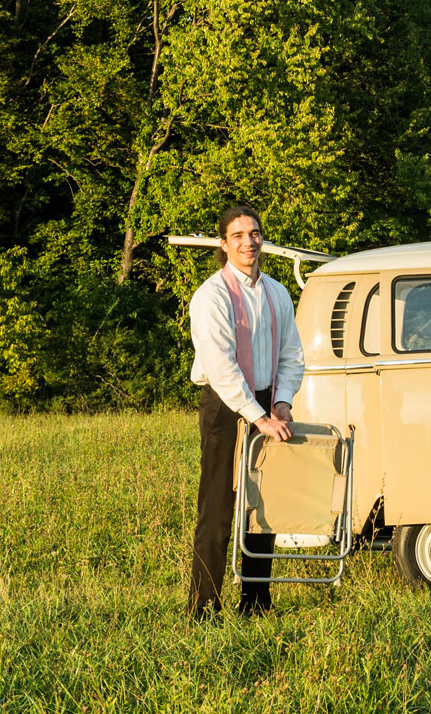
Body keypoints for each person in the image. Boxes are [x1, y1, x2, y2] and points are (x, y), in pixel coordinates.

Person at [186, 205, 305, 619]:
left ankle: (256, 603)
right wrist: (257, 416)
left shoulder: (277, 292)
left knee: (264, 509)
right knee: (217, 510)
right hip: (225, 406)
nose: (248, 242)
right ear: (223, 244)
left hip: (269, 402)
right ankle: (203, 609)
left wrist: (282, 402)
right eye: (237, 235)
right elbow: (220, 366)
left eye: (254, 233)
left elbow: (291, 353)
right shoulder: (211, 296)